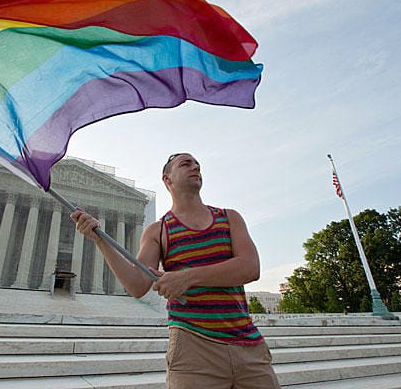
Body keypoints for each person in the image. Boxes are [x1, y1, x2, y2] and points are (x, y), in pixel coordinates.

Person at [71, 153, 280, 388]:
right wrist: (100, 240)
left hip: (248, 347)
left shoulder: (229, 218)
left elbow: (250, 267)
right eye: (186, 164)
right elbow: (137, 285)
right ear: (167, 179)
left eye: (197, 165)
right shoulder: (158, 231)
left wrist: (187, 277)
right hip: (193, 348)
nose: (195, 167)